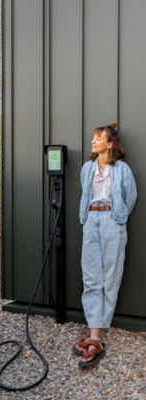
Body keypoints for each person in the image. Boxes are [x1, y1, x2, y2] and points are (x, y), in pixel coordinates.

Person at [72, 123, 137, 367]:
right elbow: (85, 193)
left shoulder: (122, 169)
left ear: (110, 144)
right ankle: (94, 334)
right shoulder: (87, 168)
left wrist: (118, 217)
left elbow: (130, 198)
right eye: (94, 138)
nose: (93, 141)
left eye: (98, 138)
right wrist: (90, 218)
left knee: (110, 277)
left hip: (113, 222)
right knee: (91, 277)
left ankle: (95, 337)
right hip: (91, 221)